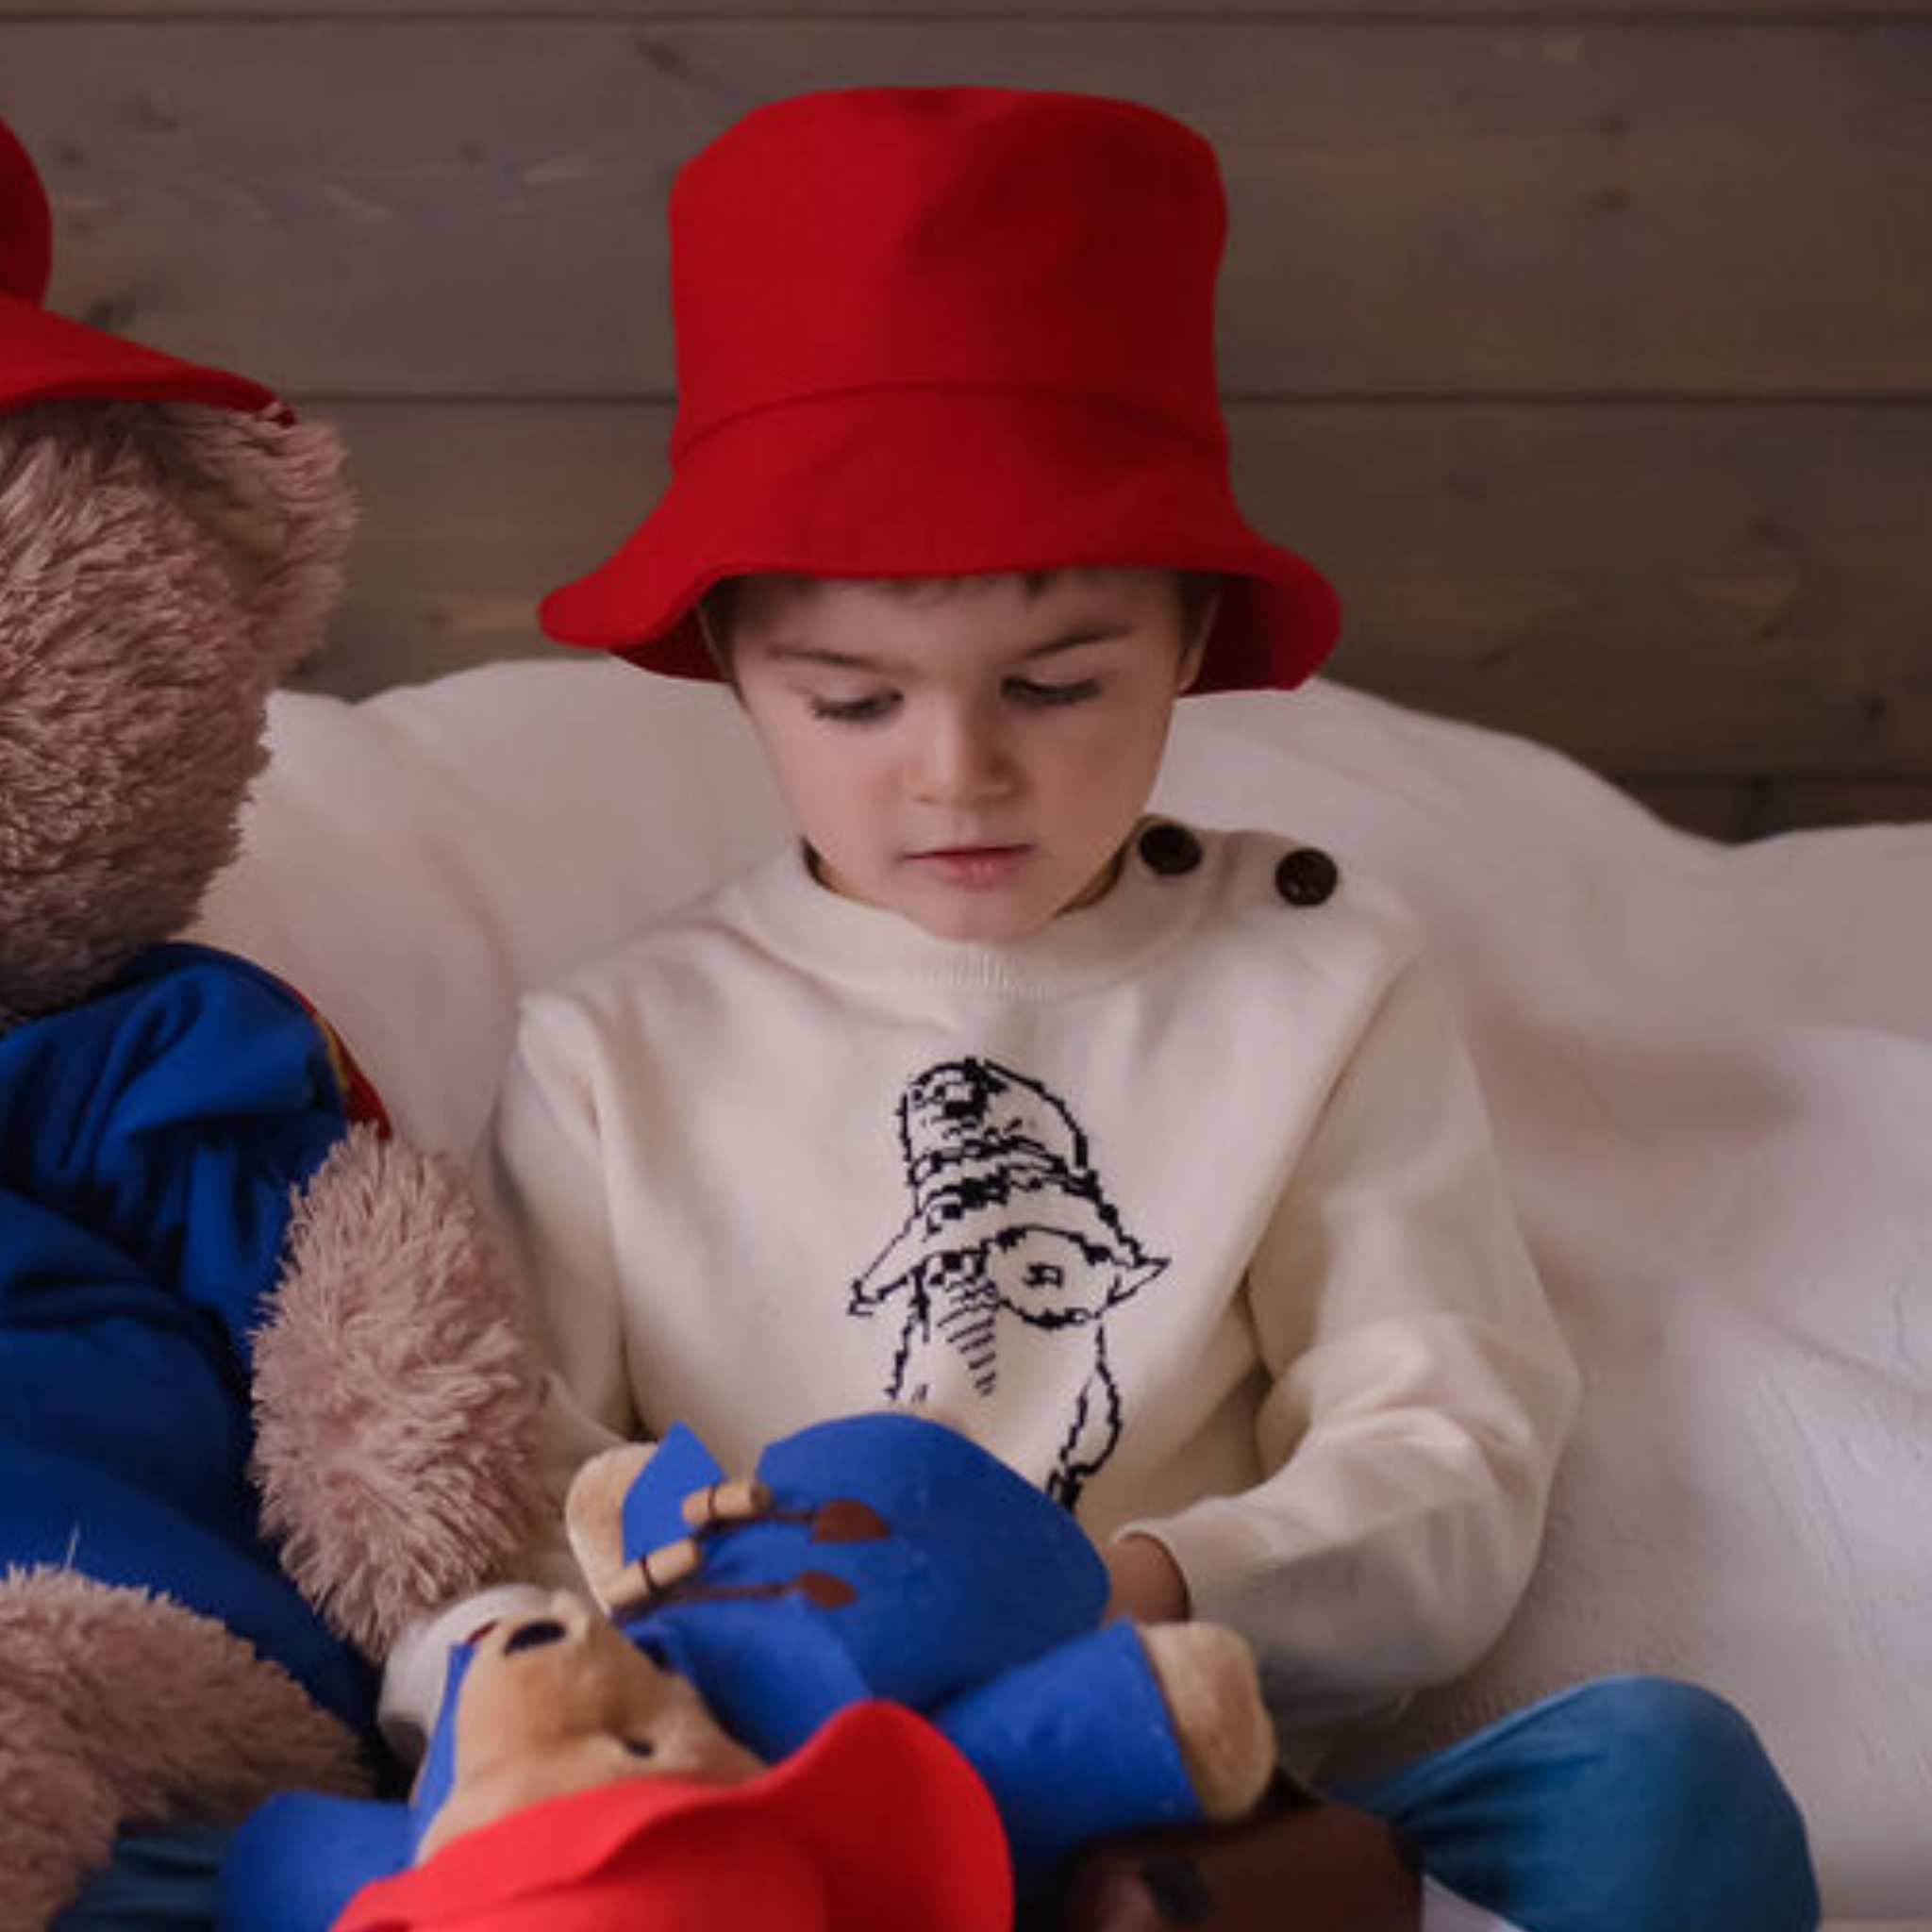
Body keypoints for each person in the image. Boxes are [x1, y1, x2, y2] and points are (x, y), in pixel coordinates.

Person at [384, 87, 1819, 1932]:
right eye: (853, 703)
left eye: (1055, 683)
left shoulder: (1310, 981)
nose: (959, 771)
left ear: (1195, 634)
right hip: (781, 1794)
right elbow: (513, 1498)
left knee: (1653, 1773)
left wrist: (1137, 1591)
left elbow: (1443, 1440)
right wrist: (737, 1651)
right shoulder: (610, 1048)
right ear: (732, 658)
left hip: (1209, 1789)